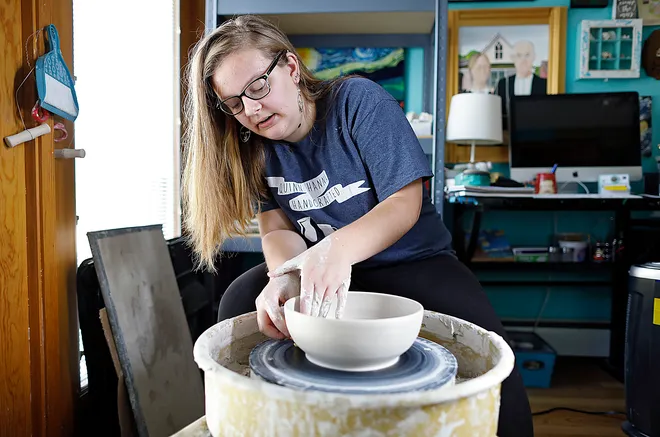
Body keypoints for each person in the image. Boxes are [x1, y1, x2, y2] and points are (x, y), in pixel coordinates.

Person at [181, 14, 533, 437]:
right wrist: (288, 275)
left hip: (412, 259)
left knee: (489, 351)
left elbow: (405, 203)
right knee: (241, 299)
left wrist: (336, 252)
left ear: (291, 68)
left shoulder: (357, 102)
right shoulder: (253, 148)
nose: (251, 109)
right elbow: (275, 227)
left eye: (258, 86)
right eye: (235, 103)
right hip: (322, 266)